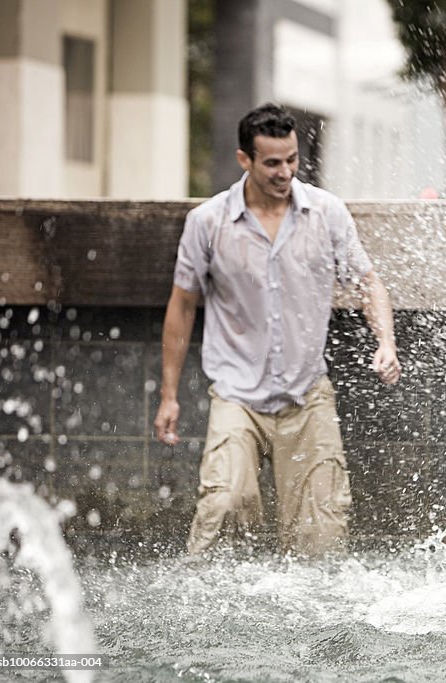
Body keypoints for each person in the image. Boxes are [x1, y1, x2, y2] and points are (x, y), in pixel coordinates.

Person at [153, 103, 401, 558]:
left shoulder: (326, 214)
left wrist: (385, 341)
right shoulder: (207, 223)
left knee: (321, 539)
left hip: (307, 395)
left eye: (291, 160)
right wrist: (169, 395)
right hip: (237, 397)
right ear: (244, 160)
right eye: (272, 162)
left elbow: (368, 283)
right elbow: (182, 305)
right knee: (223, 510)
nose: (285, 172)